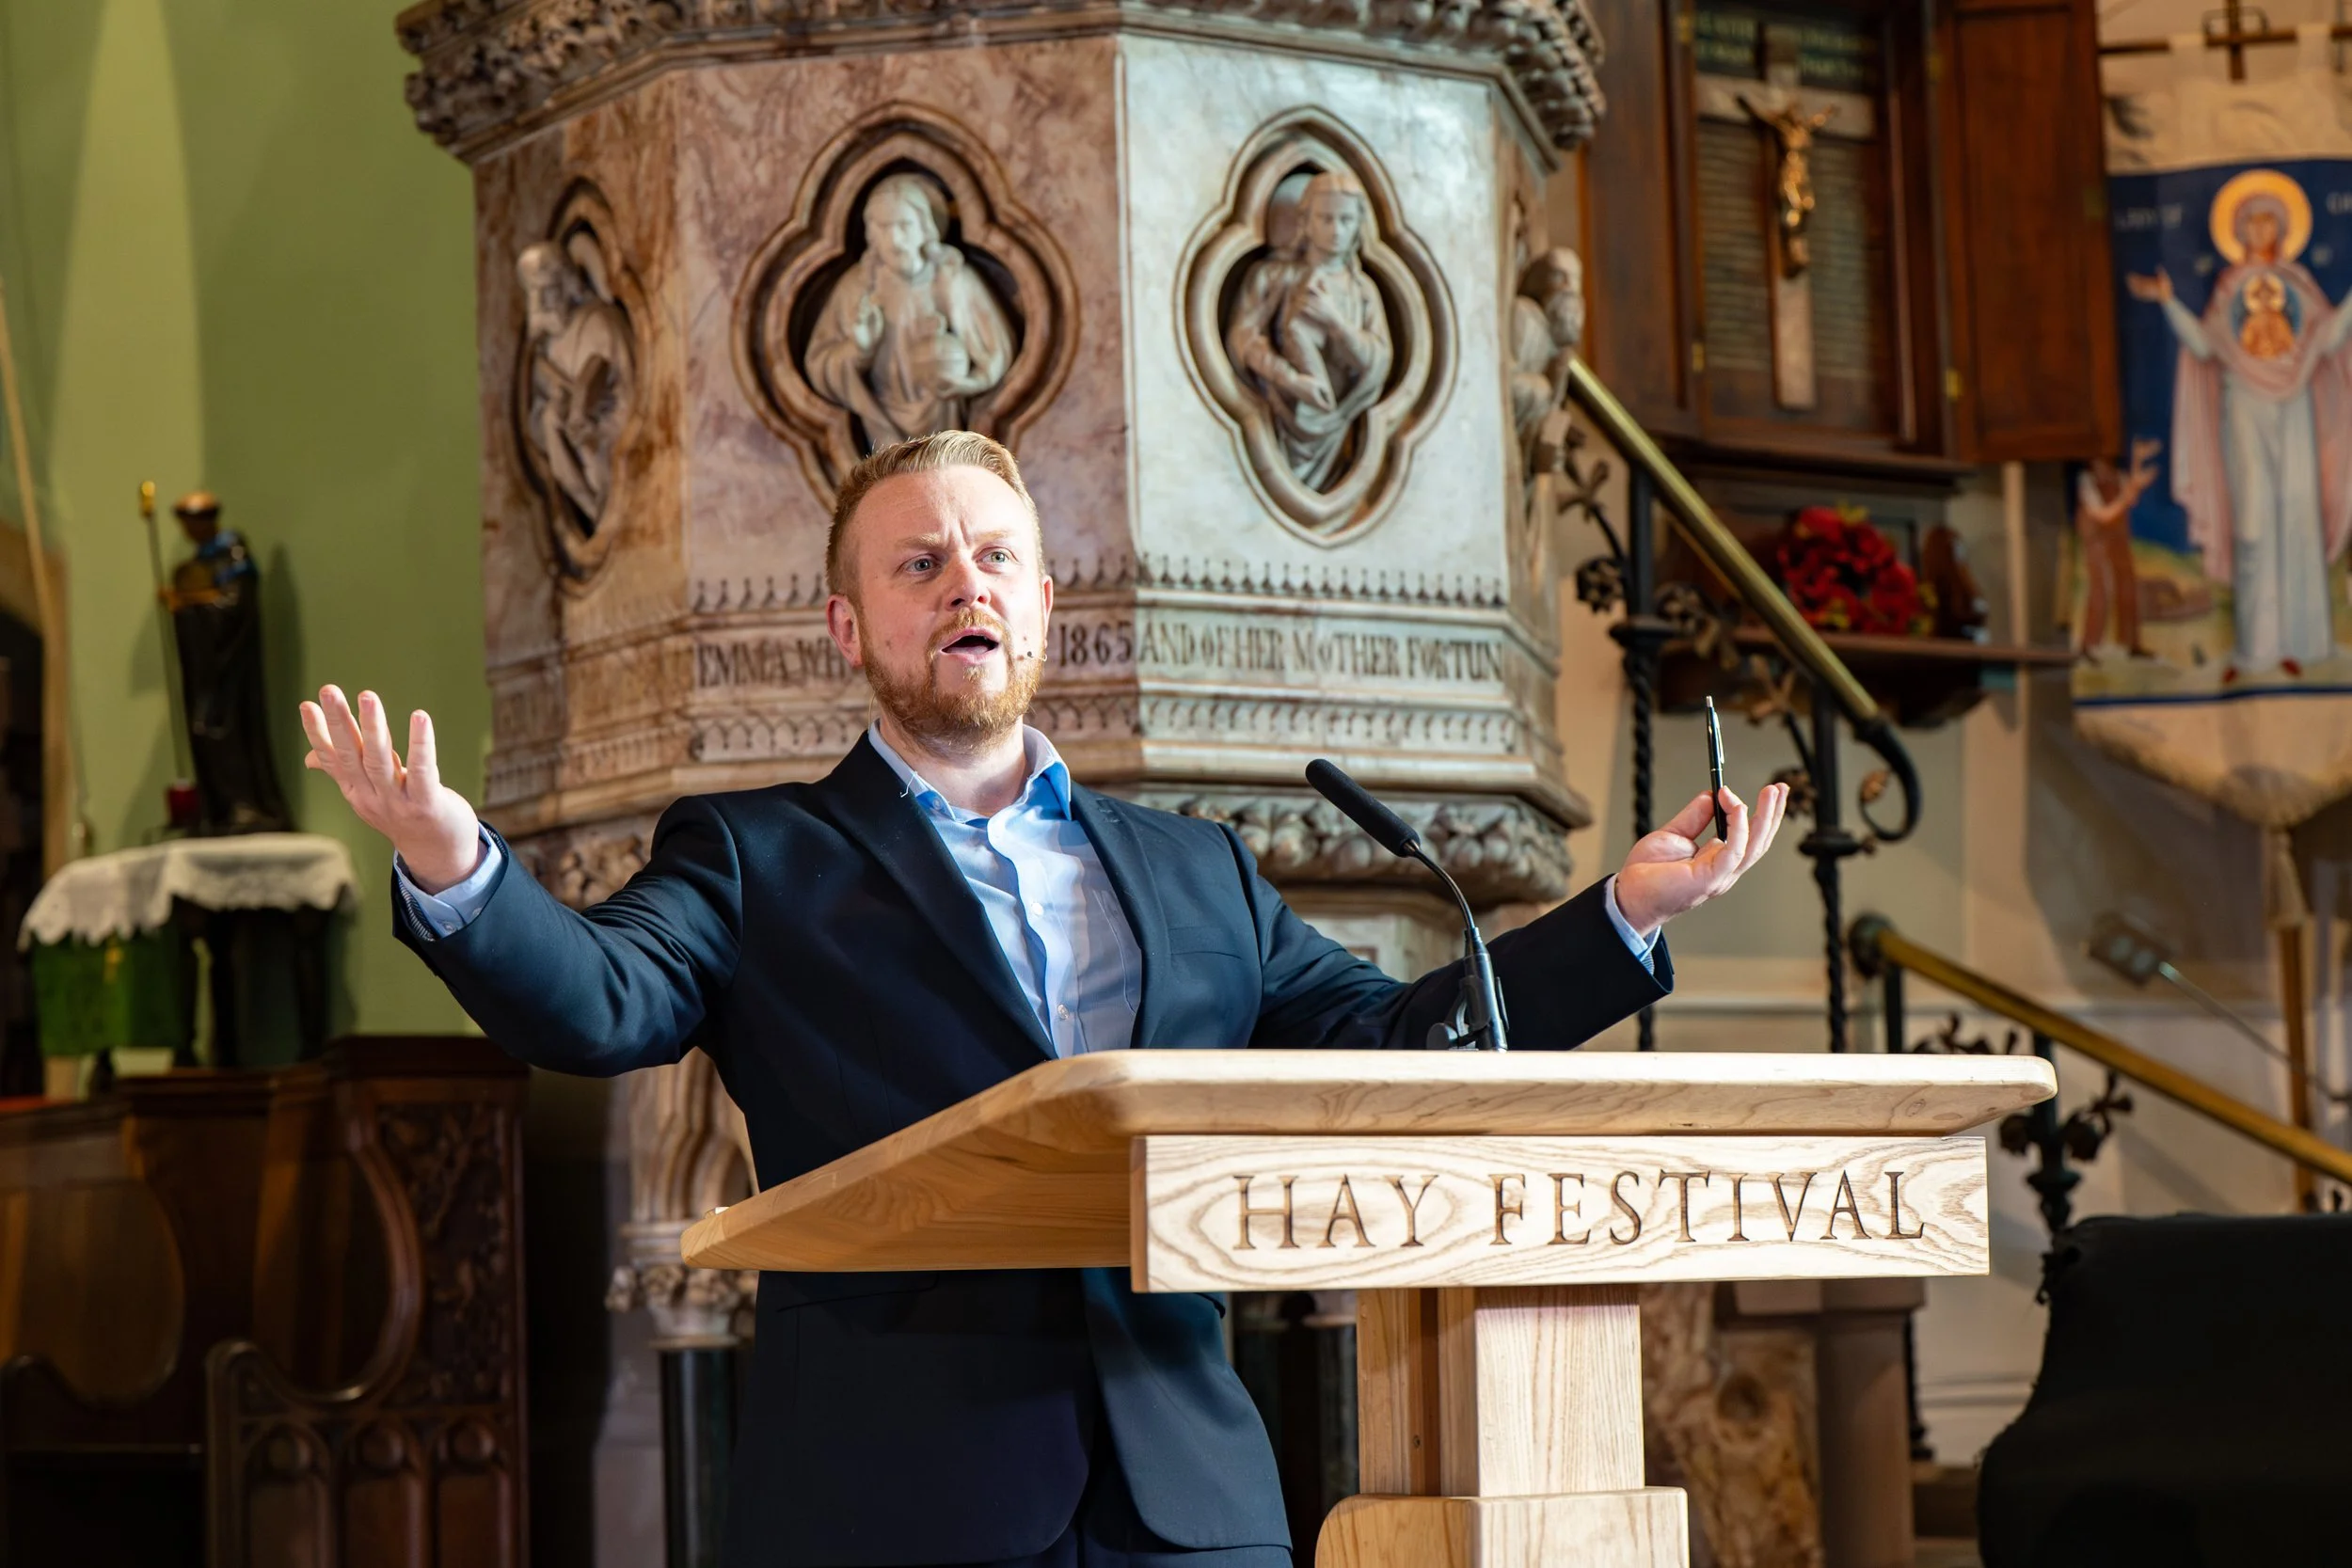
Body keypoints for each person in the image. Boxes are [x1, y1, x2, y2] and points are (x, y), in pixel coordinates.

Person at [299, 430, 1788, 1568]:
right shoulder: (759, 854)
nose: (966, 585)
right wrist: (458, 865)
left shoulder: (1195, 867)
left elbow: (1398, 1044)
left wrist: (1622, 915)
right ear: (848, 628)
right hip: (898, 1497)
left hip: (1188, 1504)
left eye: (996, 557)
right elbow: (602, 1002)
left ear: (1044, 601)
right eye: (921, 563)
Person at [2128, 177, 2352, 681]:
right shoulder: (2229, 289)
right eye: (2251, 219)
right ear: (2240, 230)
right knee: (2252, 522)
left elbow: (2330, 335)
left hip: (2294, 408)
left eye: (2269, 218)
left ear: (2281, 228)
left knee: (2297, 517)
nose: (2260, 227)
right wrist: (2169, 301)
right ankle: (2256, 648)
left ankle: (2306, 644)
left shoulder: (2297, 286)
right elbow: (2207, 348)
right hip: (2244, 408)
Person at [804, 173, 1015, 449]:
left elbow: (996, 350)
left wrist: (968, 382)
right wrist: (859, 349)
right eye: (883, 227)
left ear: (924, 228)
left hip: (946, 421)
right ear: (870, 233)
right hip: (880, 424)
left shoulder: (952, 278)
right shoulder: (858, 288)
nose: (894, 238)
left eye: (904, 225)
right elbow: (821, 363)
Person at [1224, 170, 1393, 488]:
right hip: (1280, 415)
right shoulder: (1273, 277)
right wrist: (1287, 378)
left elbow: (1377, 361)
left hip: (1337, 427)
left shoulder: (1363, 291)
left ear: (1359, 225)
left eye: (1346, 220)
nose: (1336, 231)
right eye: (1326, 219)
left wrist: (1336, 323)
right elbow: (1243, 337)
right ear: (1306, 221)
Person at [167, 491, 291, 833]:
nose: (188, 531)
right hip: (208, 671)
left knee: (228, 732)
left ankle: (245, 806)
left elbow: (236, 607)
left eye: (192, 522)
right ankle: (220, 808)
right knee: (204, 729)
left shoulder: (232, 552)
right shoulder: (204, 559)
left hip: (231, 668)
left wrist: (190, 604)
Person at [2074, 438, 2162, 661]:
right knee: (2101, 588)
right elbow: (2104, 514)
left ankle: (2132, 644)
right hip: (2097, 537)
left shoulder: (2118, 476)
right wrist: (2129, 490)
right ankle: (2088, 645)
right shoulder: (2087, 482)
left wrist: (2137, 466)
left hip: (2118, 536)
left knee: (2127, 586)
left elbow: (2131, 498)